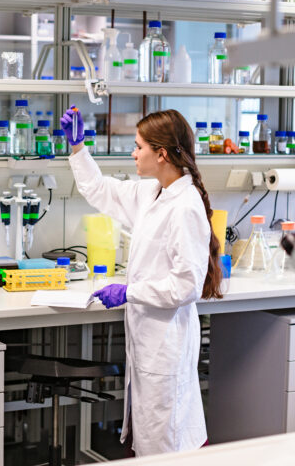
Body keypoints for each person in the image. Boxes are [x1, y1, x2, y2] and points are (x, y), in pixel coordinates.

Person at [60, 107, 223, 456]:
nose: (133, 153)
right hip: (149, 338)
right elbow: (100, 190)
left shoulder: (184, 206)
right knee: (152, 436)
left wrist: (129, 292)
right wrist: (78, 148)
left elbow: (186, 286)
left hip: (167, 344)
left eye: (138, 147)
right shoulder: (154, 192)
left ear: (161, 153)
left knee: (166, 440)